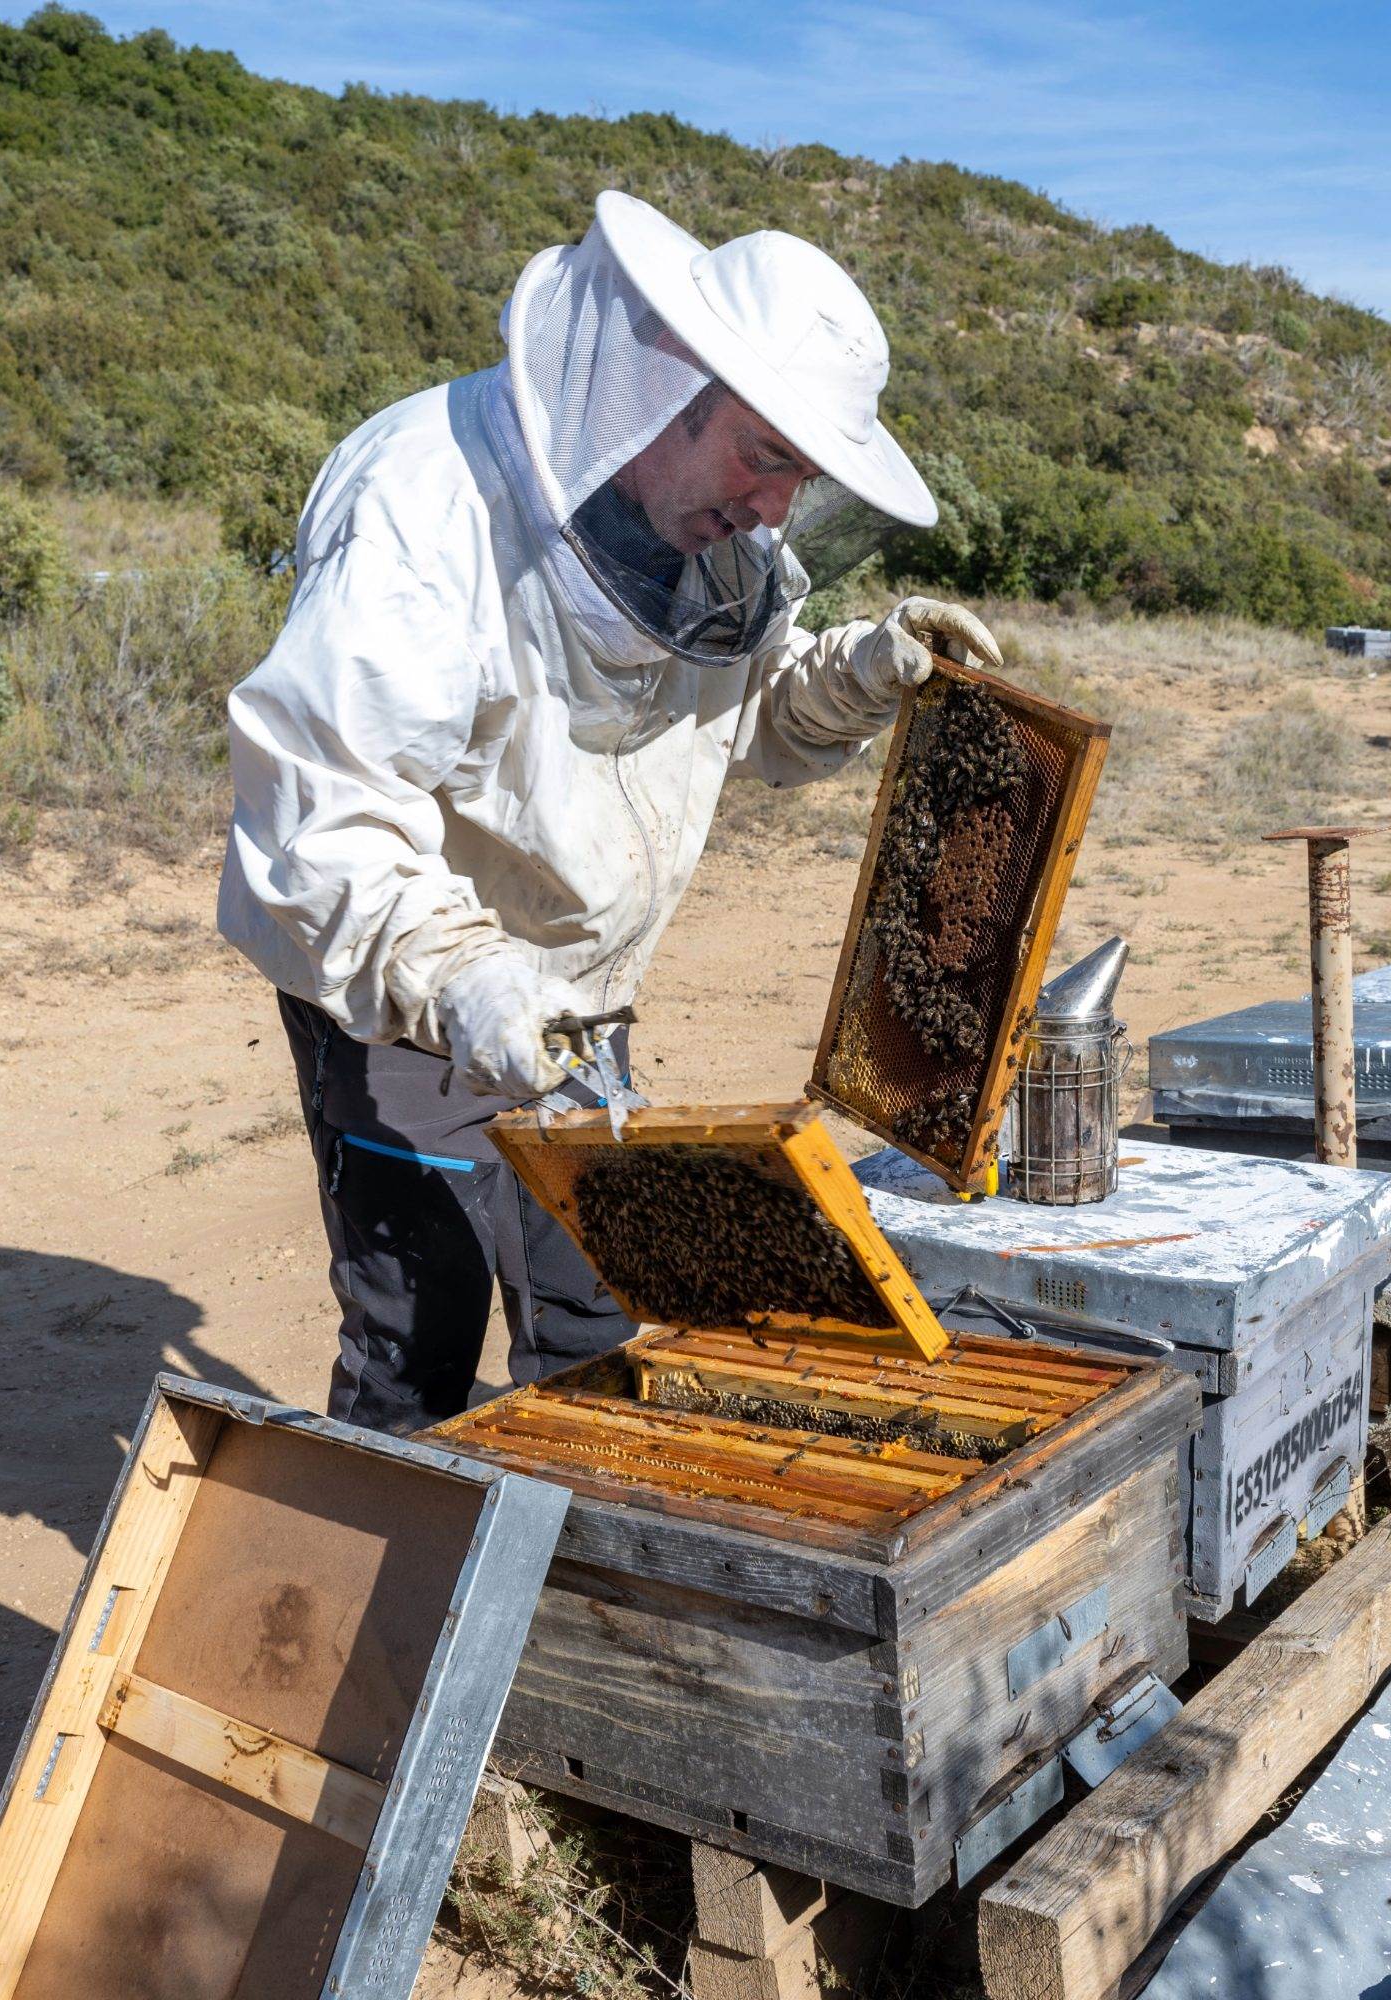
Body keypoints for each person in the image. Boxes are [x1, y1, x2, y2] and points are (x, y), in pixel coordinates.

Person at [220, 191, 1000, 1431]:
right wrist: (463, 977)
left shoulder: (708, 538)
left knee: (595, 1309)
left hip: (580, 994)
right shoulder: (424, 516)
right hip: (397, 981)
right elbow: (320, 817)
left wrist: (859, 670)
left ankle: (577, 1600)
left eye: (805, 472)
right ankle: (388, 1600)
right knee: (418, 1324)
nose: (777, 505)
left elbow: (743, 715)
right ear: (663, 388)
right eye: (768, 454)